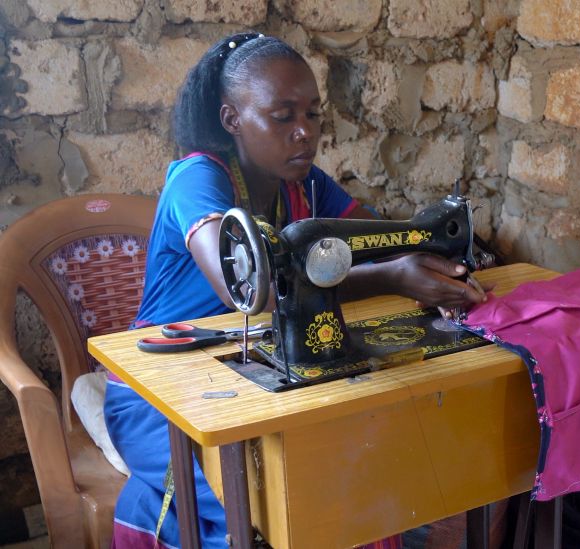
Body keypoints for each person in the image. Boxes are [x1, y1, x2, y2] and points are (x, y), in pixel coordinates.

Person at [104, 32, 486, 548]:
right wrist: (392, 276)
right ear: (232, 120)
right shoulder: (196, 181)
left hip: (251, 373)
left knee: (355, 475)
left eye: (313, 114)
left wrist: (431, 259)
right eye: (283, 117)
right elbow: (250, 289)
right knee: (271, 506)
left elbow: (374, 236)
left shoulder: (306, 186)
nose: (305, 133)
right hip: (163, 389)